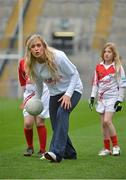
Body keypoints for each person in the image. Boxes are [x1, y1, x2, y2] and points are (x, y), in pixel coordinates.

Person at [24, 34, 83, 163]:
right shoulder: (33, 64)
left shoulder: (59, 57)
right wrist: (37, 100)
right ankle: (70, 153)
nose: (36, 49)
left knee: (62, 113)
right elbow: (39, 84)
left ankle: (55, 153)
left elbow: (74, 74)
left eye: (38, 45)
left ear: (44, 46)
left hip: (73, 90)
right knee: (55, 125)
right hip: (54, 94)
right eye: (33, 47)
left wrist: (68, 95)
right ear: (30, 50)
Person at [89, 42, 126, 156]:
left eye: (109, 52)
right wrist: (92, 97)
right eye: (105, 51)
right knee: (103, 124)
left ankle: (116, 147)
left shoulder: (118, 67)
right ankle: (106, 148)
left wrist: (119, 100)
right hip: (101, 99)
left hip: (112, 98)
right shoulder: (98, 67)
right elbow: (95, 83)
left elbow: (122, 84)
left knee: (107, 121)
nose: (106, 54)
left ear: (114, 54)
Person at [18, 57, 50, 158]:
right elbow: (22, 80)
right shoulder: (22, 62)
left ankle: (42, 150)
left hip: (43, 91)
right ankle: (30, 147)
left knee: (40, 121)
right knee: (28, 123)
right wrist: (24, 98)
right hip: (29, 93)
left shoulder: (41, 60)